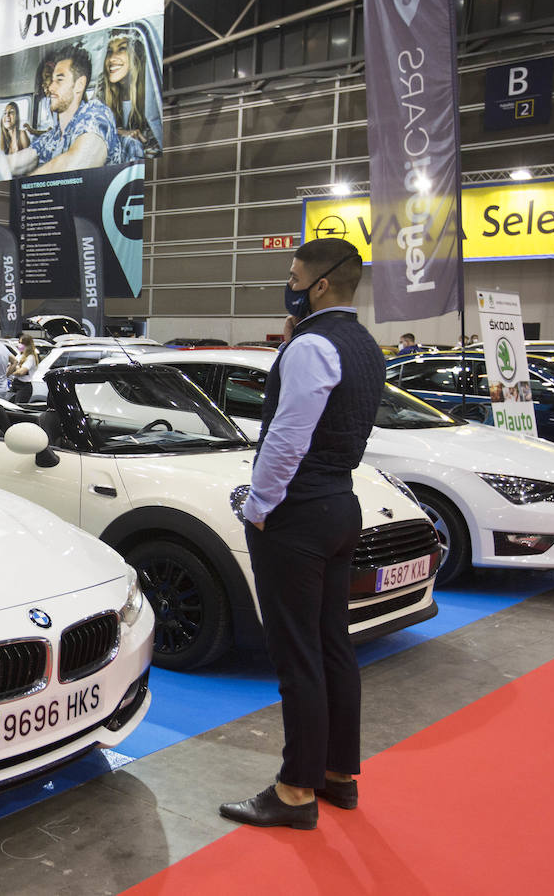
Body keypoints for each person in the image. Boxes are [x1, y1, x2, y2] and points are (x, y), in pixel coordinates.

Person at [219, 237, 384, 831]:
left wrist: (260, 505)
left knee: (297, 655)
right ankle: (339, 775)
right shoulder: (364, 345)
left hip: (298, 514)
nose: (287, 283)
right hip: (340, 502)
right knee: (332, 644)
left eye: (293, 274)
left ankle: (294, 791)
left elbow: (288, 437)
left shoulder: (313, 346)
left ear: (318, 285)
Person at [7, 45, 122, 176]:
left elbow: (78, 162)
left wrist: (22, 189)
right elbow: (23, 160)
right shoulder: (53, 136)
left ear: (79, 85)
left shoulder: (96, 114)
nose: (51, 87)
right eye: (52, 80)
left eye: (59, 80)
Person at [100, 33, 160, 161]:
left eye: (122, 49)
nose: (111, 59)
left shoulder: (153, 100)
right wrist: (120, 132)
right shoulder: (102, 95)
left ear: (137, 55)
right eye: (109, 51)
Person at [8, 332, 40, 403]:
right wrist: (15, 369)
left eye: (21, 343)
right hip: (15, 383)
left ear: (27, 345)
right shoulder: (19, 355)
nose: (19, 345)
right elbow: (11, 366)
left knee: (18, 407)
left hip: (24, 386)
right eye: (19, 342)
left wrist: (13, 370)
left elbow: (21, 372)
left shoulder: (30, 357)